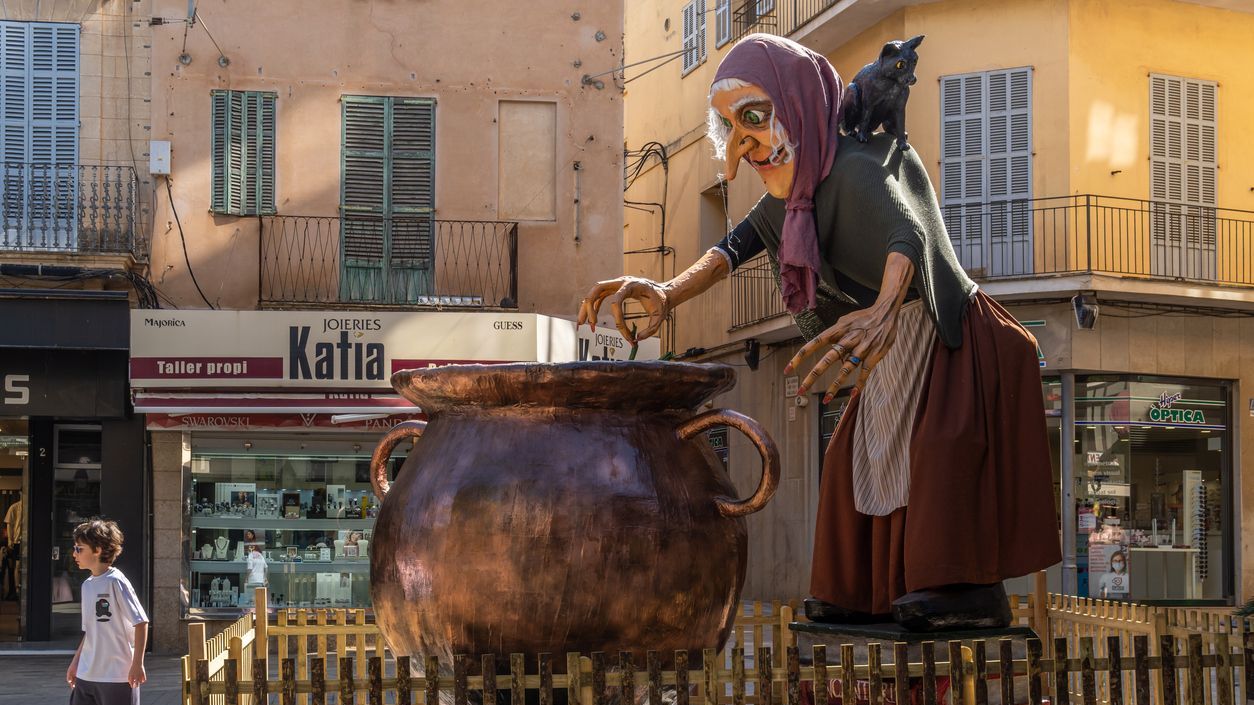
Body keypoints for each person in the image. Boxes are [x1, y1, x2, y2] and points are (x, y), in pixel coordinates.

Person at [579, 34, 1060, 630]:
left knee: (939, 453)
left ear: (798, 104)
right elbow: (732, 249)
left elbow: (906, 236)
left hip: (944, 330)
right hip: (884, 339)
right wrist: (667, 293)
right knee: (849, 461)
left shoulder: (853, 170)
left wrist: (883, 308)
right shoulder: (793, 195)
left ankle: (965, 591)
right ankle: (862, 590)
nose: (744, 141)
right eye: (731, 125)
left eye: (755, 116)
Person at [66, 518, 149, 704]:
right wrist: (75, 663)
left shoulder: (116, 581)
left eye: (79, 549)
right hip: (87, 674)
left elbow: (141, 622)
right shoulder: (87, 585)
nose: (74, 554)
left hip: (117, 676)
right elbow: (90, 631)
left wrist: (137, 664)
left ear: (98, 550)